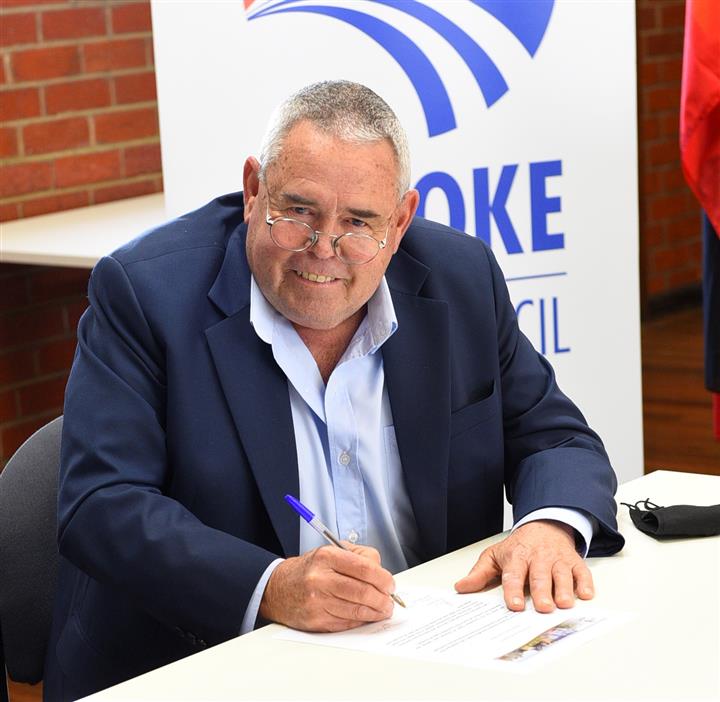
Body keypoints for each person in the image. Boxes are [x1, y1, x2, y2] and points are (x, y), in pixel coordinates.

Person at [44, 80, 624, 700]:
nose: (323, 249)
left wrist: (547, 526)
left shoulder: (461, 278)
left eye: (359, 223)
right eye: (298, 211)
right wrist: (271, 586)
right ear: (252, 191)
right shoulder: (144, 293)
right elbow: (101, 504)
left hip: (429, 658)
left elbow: (556, 437)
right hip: (208, 665)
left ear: (400, 221)